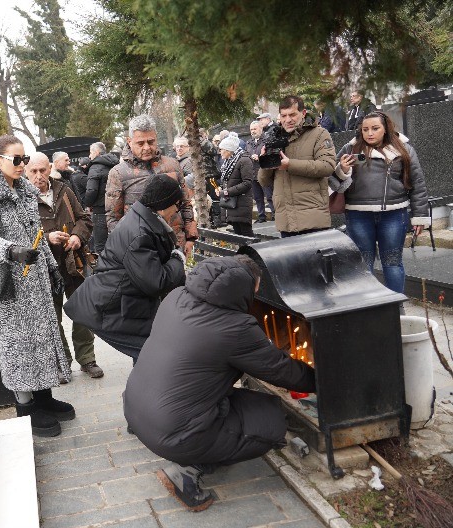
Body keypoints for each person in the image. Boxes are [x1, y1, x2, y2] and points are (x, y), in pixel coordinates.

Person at [124, 255, 315, 512]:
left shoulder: (175, 296)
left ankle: (194, 444)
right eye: (254, 292)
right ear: (242, 288)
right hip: (174, 432)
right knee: (272, 424)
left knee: (238, 402)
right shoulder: (234, 327)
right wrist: (322, 379)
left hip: (137, 410)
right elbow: (282, 371)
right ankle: (189, 470)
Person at [0, 135, 74, 437]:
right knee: (19, 345)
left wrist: (53, 268)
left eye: (24, 159)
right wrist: (13, 250)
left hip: (37, 279)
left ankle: (45, 396)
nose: (22, 165)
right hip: (11, 283)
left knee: (42, 337)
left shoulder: (27, 190)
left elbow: (37, 232)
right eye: (16, 160)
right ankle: (26, 405)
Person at [65, 174, 187, 362]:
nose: (177, 211)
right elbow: (156, 281)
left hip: (122, 302)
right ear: (163, 204)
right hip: (108, 307)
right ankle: (145, 391)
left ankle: (146, 390)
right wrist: (178, 259)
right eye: (176, 205)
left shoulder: (142, 220)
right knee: (154, 354)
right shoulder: (139, 233)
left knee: (151, 354)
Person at [330, 111, 430, 295]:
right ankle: (370, 309)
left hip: (394, 213)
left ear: (385, 129)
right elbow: (332, 183)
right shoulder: (350, 149)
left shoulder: (404, 149)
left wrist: (420, 216)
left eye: (375, 128)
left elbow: (418, 184)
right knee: (363, 265)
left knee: (392, 263)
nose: (369, 133)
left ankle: (396, 308)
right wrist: (342, 170)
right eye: (365, 129)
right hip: (358, 214)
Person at [26, 153, 104, 379]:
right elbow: (21, 235)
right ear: (27, 172)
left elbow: (85, 220)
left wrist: (78, 236)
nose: (39, 176)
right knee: (53, 317)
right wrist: (47, 238)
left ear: (50, 168)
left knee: (82, 311)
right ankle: (62, 363)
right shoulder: (23, 199)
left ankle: (87, 359)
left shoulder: (64, 190)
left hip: (73, 263)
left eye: (43, 170)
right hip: (45, 268)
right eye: (34, 171)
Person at [105, 114, 198, 254]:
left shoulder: (172, 165)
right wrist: (125, 247)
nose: (147, 147)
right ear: (129, 141)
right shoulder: (118, 173)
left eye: (151, 141)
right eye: (140, 143)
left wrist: (190, 238)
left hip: (176, 243)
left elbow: (185, 202)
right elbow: (113, 217)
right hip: (141, 248)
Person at [257, 95, 336, 237]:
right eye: (283, 116)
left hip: (313, 218)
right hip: (285, 221)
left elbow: (327, 166)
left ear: (303, 113)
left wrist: (290, 165)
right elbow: (264, 181)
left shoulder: (319, 134)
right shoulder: (274, 138)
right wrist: (265, 161)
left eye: (292, 114)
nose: (288, 120)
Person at [217, 135, 255, 237]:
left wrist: (226, 192)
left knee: (246, 233)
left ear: (229, 150)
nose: (219, 152)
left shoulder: (244, 160)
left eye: (221, 149)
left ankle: (253, 252)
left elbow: (247, 183)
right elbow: (227, 180)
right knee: (238, 233)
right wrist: (222, 187)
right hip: (232, 203)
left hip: (242, 203)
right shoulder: (228, 162)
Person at [84, 142, 117, 253]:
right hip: (116, 208)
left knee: (100, 246)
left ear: (97, 152)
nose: (89, 156)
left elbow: (92, 190)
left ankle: (103, 269)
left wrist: (87, 203)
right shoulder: (115, 164)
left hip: (100, 211)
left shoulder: (95, 167)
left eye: (91, 152)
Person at [245, 121, 273, 223]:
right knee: (258, 197)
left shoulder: (267, 140)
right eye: (251, 129)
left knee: (269, 196)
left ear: (261, 128)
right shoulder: (249, 142)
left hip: (264, 172)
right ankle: (261, 216)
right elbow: (245, 155)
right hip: (253, 173)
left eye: (255, 129)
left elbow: (271, 154)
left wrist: (260, 157)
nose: (253, 131)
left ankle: (275, 214)